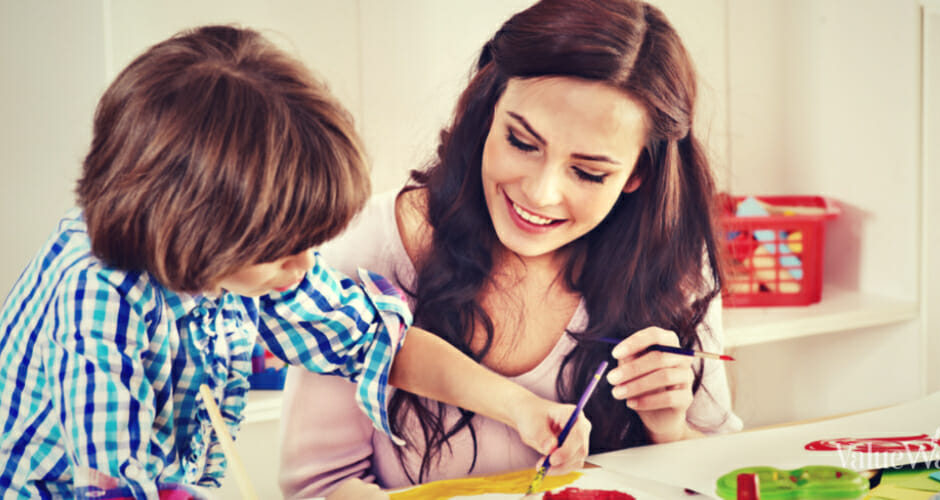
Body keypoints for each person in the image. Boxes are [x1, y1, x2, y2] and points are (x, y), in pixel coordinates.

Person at [0, 25, 590, 500]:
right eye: (287, 252)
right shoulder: (96, 299)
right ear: (199, 232)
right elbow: (114, 483)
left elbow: (377, 344)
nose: (308, 266)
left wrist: (521, 407)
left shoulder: (254, 261)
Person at [279, 0, 743, 497]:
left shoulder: (674, 261)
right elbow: (319, 488)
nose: (540, 194)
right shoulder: (368, 246)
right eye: (522, 142)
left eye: (588, 172)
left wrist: (670, 431)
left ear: (637, 174)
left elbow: (717, 477)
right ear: (487, 112)